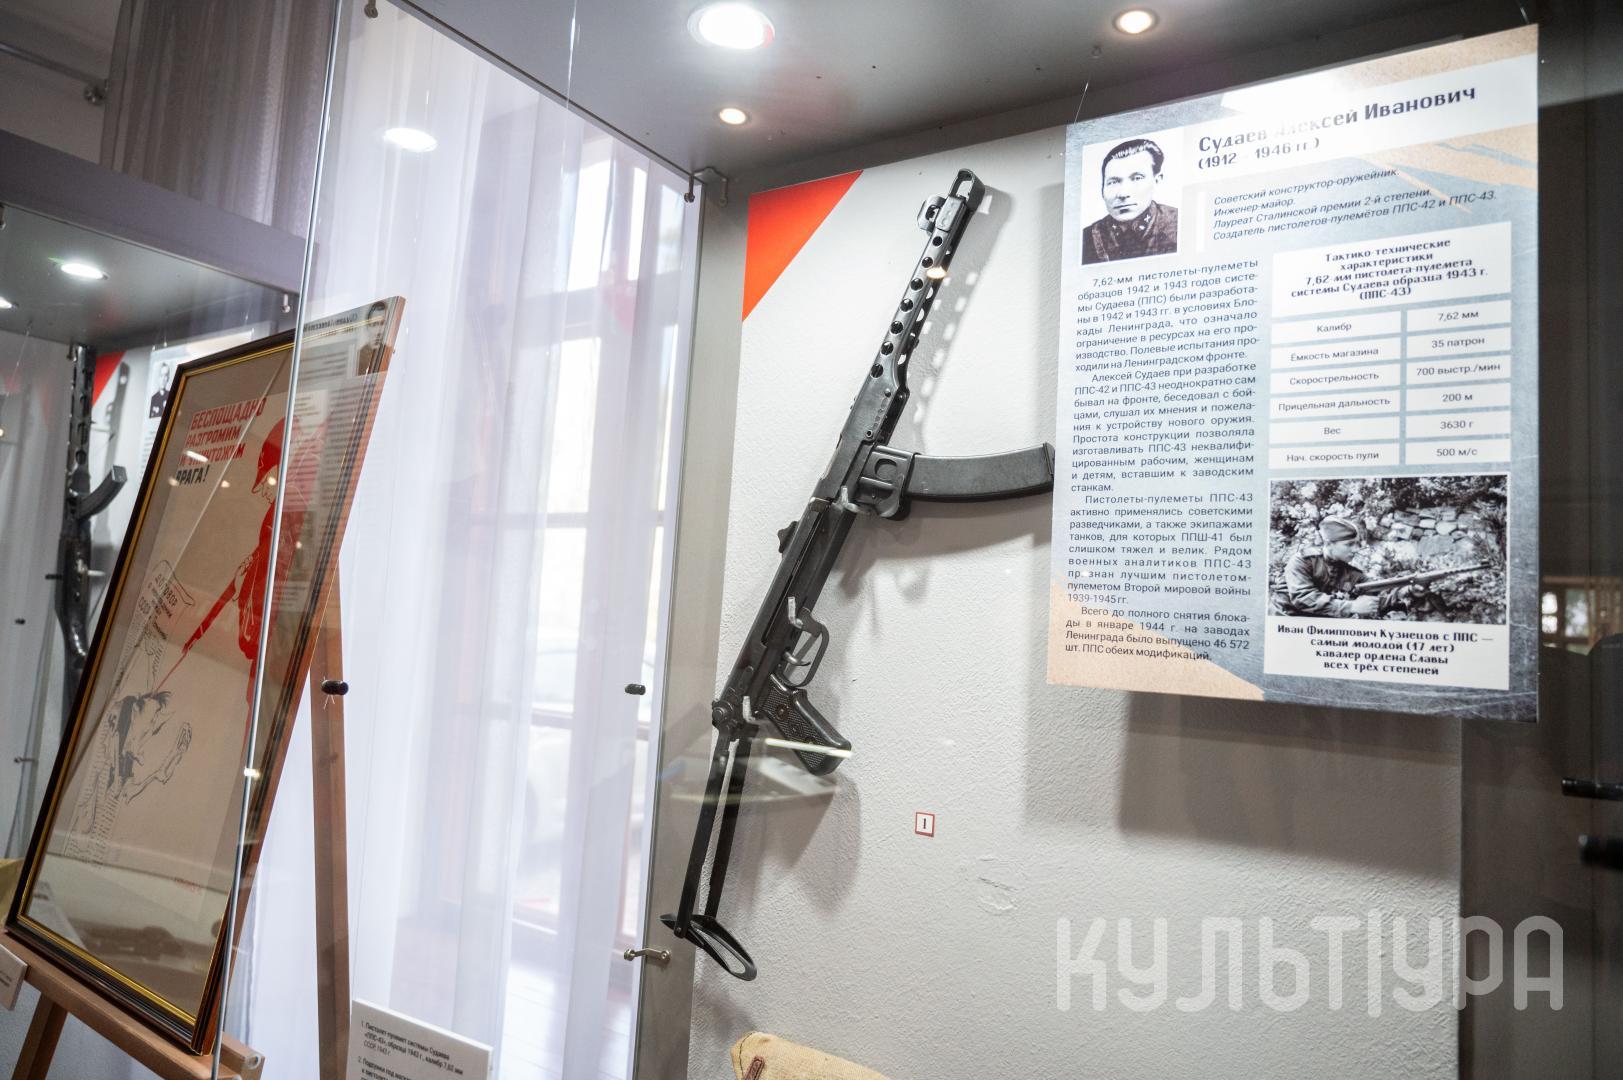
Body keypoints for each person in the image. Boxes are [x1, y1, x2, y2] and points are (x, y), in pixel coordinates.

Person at [1276, 516, 1418, 618]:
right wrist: (1352, 606)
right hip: (1286, 621)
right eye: (1349, 544)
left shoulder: (1351, 573)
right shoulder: (1303, 561)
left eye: (1357, 544)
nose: (1356, 549)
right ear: (1329, 543)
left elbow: (1378, 595)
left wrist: (1409, 590)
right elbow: (1303, 598)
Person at [1081, 138, 1180, 264]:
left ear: (1157, 181)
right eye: (1113, 182)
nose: (1123, 194)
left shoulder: (1180, 224)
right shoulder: (1085, 239)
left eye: (1136, 178)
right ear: (1102, 189)